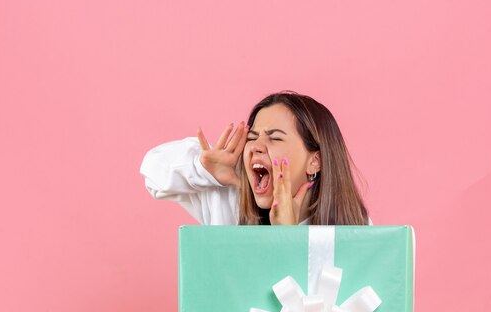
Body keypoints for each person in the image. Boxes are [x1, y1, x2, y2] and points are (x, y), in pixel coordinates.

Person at [140, 91, 370, 225]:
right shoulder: (228, 197)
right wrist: (205, 171)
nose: (256, 146)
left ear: (315, 161)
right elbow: (152, 172)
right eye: (252, 137)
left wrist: (288, 238)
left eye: (275, 138)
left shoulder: (354, 226)